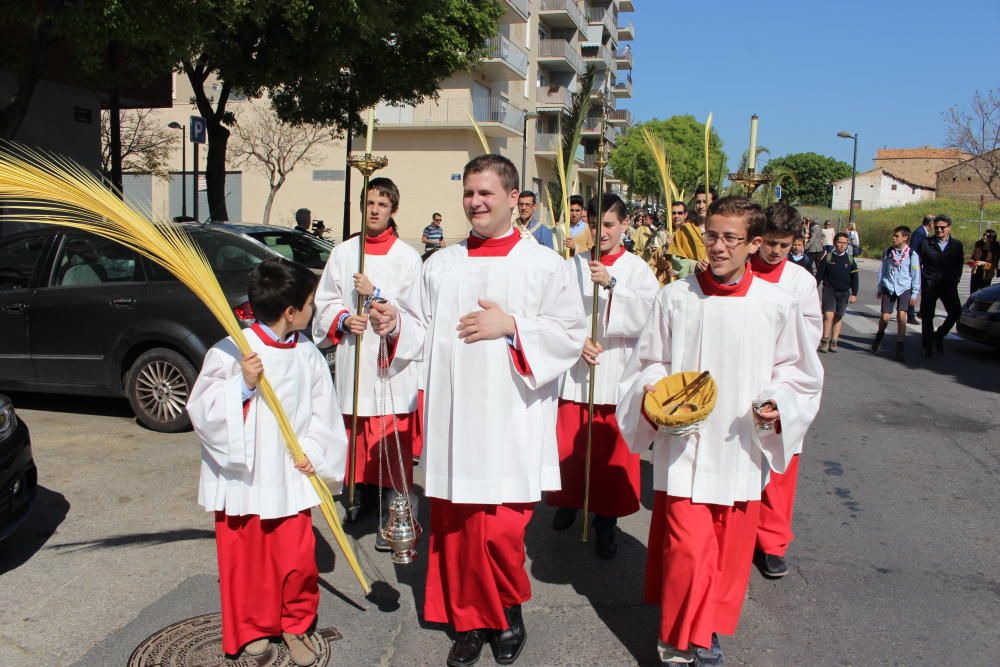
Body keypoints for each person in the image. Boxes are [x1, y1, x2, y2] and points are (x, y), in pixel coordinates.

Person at [378, 155, 585, 666]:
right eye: (469, 193)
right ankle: (469, 623)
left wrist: (513, 327)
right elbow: (421, 330)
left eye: (486, 193)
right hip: (455, 421)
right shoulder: (442, 264)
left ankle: (508, 611)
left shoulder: (543, 264)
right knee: (459, 529)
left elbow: (569, 334)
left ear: (514, 198)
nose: (475, 202)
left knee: (501, 530)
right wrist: (394, 325)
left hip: (513, 420)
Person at [616, 196, 823, 665]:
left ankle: (706, 633)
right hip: (684, 449)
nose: (718, 246)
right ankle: (678, 645)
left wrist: (779, 405)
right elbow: (647, 364)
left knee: (728, 557)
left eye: (731, 238)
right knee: (687, 551)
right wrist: (656, 394)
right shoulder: (675, 297)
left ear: (753, 244)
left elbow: (799, 372)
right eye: (712, 235)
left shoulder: (776, 303)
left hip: (740, 447)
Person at [187, 258, 347, 666]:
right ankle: (252, 627)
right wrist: (241, 385)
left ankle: (295, 625)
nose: (313, 310)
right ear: (291, 312)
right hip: (243, 479)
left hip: (290, 474)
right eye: (310, 303)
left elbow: (323, 411)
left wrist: (313, 452)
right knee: (247, 560)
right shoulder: (232, 350)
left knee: (295, 559)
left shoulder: (307, 353)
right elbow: (201, 409)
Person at [547, 193, 659, 559]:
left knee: (609, 459)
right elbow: (552, 316)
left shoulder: (637, 269)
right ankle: (569, 502)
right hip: (577, 371)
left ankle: (606, 523)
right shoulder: (570, 266)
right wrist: (576, 340)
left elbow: (651, 318)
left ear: (625, 225)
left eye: (610, 225)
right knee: (572, 452)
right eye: (596, 224)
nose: (603, 232)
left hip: (615, 373)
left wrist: (613, 286)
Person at [312, 177, 423, 545]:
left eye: (383, 204)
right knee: (358, 433)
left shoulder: (407, 257)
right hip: (355, 355)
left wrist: (375, 293)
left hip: (390, 364)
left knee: (388, 437)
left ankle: (393, 507)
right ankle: (358, 497)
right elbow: (325, 300)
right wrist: (344, 319)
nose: (375, 210)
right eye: (370, 203)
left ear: (394, 210)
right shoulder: (344, 253)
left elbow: (415, 312)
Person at [749, 202, 823, 578]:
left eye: (784, 244)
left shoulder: (801, 281)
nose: (775, 251)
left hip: (781, 382)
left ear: (795, 242)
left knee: (779, 465)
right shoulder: (741, 269)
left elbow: (810, 334)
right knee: (744, 460)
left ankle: (773, 543)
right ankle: (744, 533)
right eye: (770, 243)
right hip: (744, 377)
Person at [918, 214, 964, 357]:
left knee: (956, 312)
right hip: (930, 283)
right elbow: (917, 263)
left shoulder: (956, 245)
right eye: (936, 227)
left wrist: (956, 279)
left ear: (949, 228)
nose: (938, 230)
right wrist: (921, 280)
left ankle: (939, 335)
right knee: (927, 315)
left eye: (942, 227)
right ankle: (928, 345)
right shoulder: (926, 243)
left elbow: (959, 265)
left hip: (948, 284)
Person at [872, 226, 921, 360]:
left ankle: (900, 345)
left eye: (896, 236)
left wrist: (915, 292)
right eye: (893, 236)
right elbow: (882, 269)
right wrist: (880, 286)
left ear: (905, 237)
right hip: (889, 286)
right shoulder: (888, 252)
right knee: (886, 317)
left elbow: (916, 273)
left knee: (901, 315)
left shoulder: (912, 254)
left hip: (904, 287)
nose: (894, 238)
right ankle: (880, 335)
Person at [815, 232, 859, 353]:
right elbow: (819, 275)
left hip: (844, 292)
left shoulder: (850, 259)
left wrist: (854, 293)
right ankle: (824, 340)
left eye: (845, 243)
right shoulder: (828, 257)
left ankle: (834, 341)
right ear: (834, 243)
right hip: (829, 290)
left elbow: (855, 277)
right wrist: (813, 288)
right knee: (828, 315)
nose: (842, 245)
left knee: (838, 317)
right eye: (840, 242)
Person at [906, 215, 935, 325]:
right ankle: (910, 314)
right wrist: (916, 265)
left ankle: (918, 312)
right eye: (934, 224)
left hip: (919, 265)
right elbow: (913, 250)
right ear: (930, 224)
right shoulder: (920, 233)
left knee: (918, 289)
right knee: (914, 289)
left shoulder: (923, 232)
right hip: (916, 266)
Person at [667, 199, 708, 268]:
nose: (676, 216)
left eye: (680, 213)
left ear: (685, 215)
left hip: (695, 274)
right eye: (673, 213)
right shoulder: (662, 234)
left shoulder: (692, 231)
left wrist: (694, 266)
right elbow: (655, 260)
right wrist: (666, 247)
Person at [969, 228, 998, 294]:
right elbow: (973, 256)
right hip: (975, 271)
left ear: (992, 237)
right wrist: (971, 261)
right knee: (973, 292)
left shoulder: (996, 247)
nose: (985, 236)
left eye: (987, 236)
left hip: (987, 273)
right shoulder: (978, 244)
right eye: (984, 234)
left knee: (983, 293)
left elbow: (994, 265)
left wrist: (983, 263)